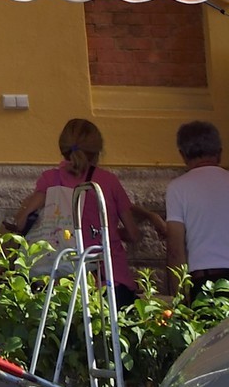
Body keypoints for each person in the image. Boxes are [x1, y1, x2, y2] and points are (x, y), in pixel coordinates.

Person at [11, 117, 156, 304]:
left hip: (63, 282)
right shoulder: (108, 181)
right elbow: (133, 234)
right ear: (97, 150)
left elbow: (20, 222)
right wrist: (112, 231)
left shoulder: (49, 180)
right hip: (109, 279)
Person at [166, 120, 229, 292]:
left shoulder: (177, 188)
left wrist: (180, 293)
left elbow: (175, 248)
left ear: (183, 155)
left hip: (205, 281)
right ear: (220, 153)